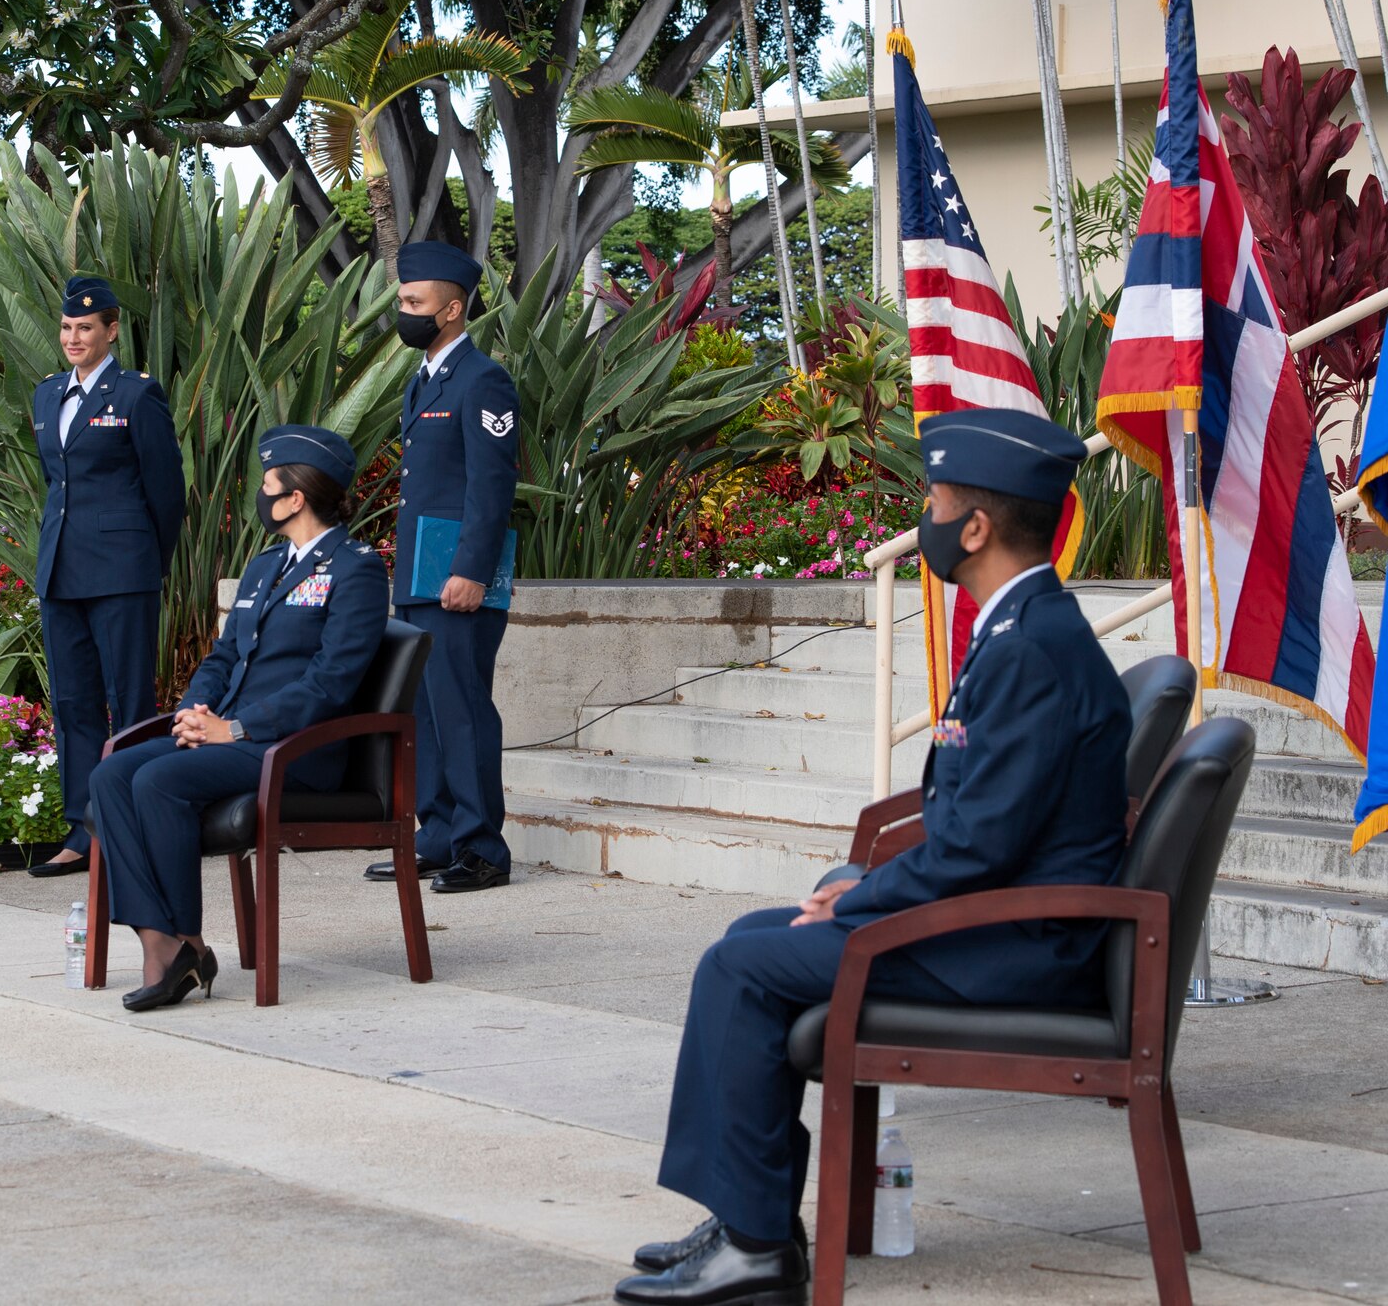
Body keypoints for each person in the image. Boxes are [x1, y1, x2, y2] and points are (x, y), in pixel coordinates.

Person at [615, 409, 1133, 1306]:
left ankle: (756, 1249)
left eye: (933, 502)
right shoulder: (1024, 627)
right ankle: (752, 1217)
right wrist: (864, 890)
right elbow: (982, 823)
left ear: (974, 528)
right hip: (996, 922)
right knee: (753, 935)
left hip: (1008, 946)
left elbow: (979, 845)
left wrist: (858, 906)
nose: (924, 519)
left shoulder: (1035, 649)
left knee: (739, 967)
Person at [91, 426, 388, 1010]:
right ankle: (169, 941)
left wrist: (238, 727)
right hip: (235, 739)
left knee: (157, 779)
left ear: (295, 498)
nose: (261, 493)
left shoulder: (355, 569)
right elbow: (224, 655)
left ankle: (180, 948)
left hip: (296, 750)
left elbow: (330, 683)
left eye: (269, 484)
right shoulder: (266, 566)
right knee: (110, 776)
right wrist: (193, 711)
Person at [359, 240, 519, 895]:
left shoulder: (483, 381)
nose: (404, 311)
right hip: (421, 574)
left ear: (452, 311)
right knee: (425, 711)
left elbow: (492, 484)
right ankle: (439, 835)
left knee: (463, 710)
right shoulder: (423, 380)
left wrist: (472, 571)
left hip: (458, 576)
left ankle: (482, 848)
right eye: (402, 300)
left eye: (413, 303)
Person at [26, 275, 185, 879]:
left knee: (131, 702)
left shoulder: (137, 395)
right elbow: (56, 485)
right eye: (66, 327)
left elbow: (166, 493)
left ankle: (134, 826)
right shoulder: (46, 396)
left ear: (111, 330)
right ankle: (81, 829)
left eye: (85, 328)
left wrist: (147, 564)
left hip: (123, 571)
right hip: (61, 568)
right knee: (72, 704)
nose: (73, 338)